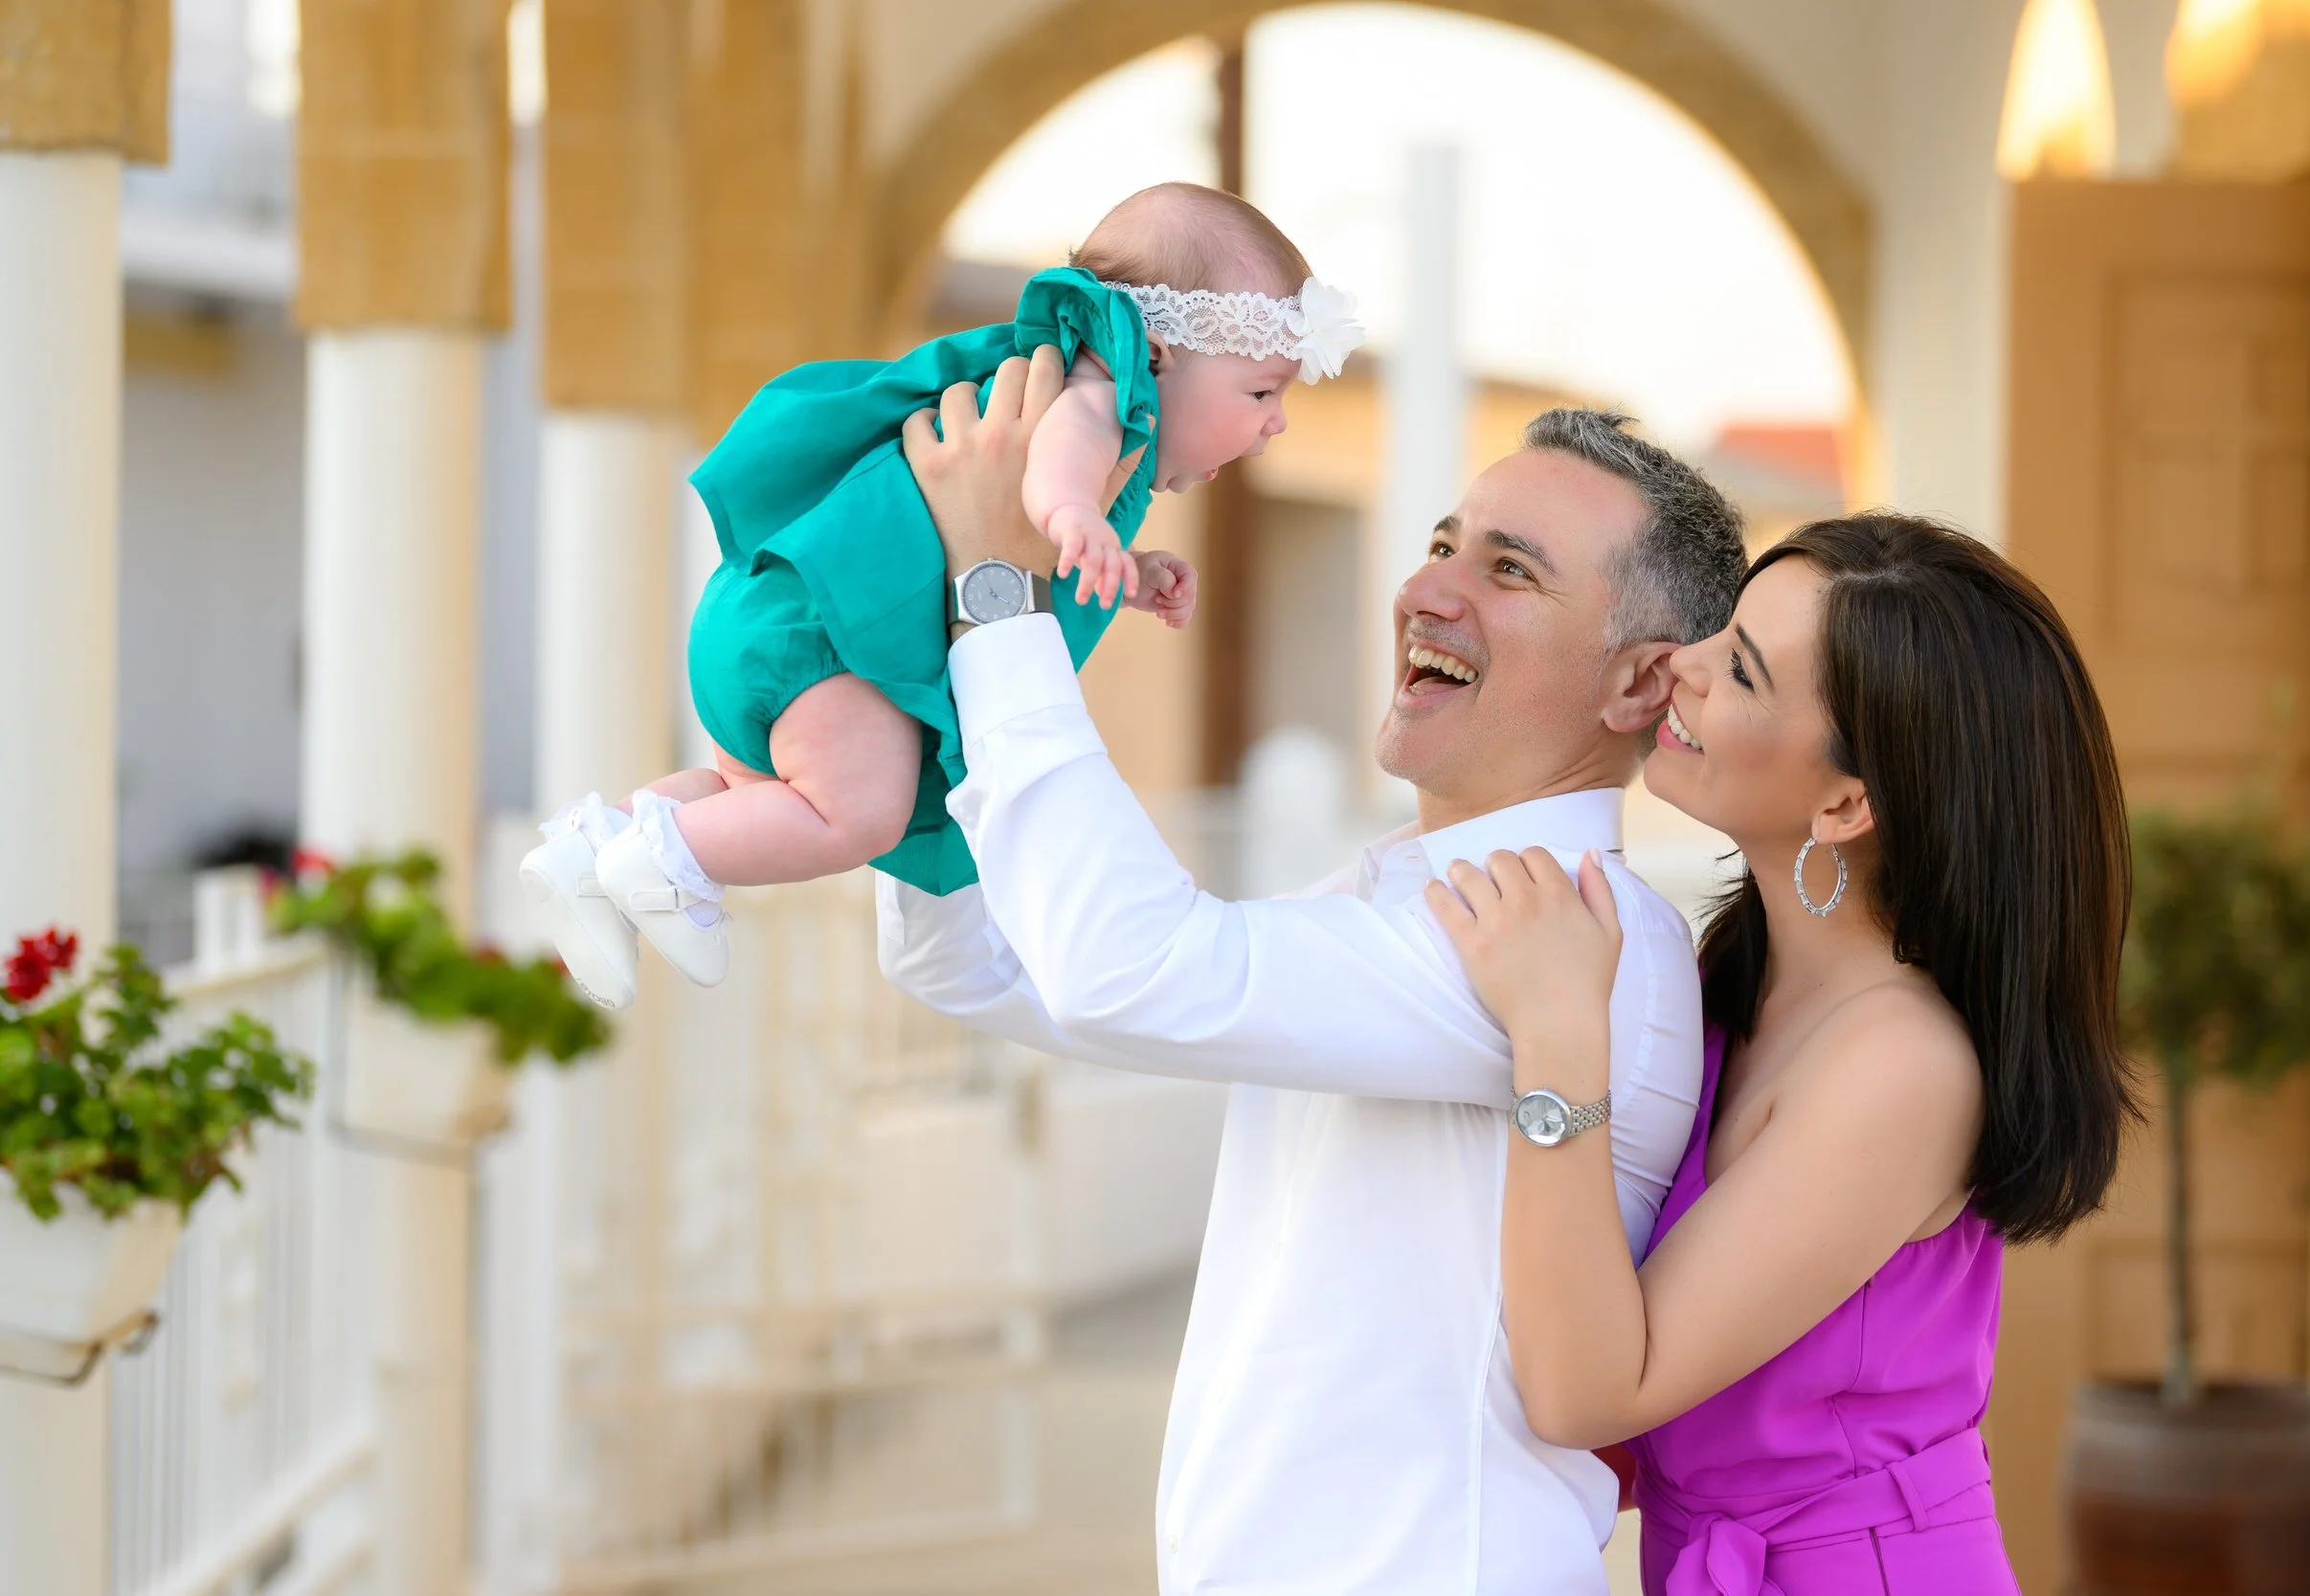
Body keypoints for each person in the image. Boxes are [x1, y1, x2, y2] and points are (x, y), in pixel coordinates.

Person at [881, 345, 1749, 1594]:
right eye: (1446, 542)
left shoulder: (1571, 933)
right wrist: (897, 686)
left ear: (1639, 683)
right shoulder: (1401, 899)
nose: (1429, 589)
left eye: (1509, 569)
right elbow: (973, 964)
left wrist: (999, 599)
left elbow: (1125, 965)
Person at [1425, 515, 2135, 1595]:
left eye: (1741, 669)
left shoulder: (1902, 1065)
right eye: (1720, 631)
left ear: (1847, 801)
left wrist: (1558, 1042)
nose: (1683, 664)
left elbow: (1588, 1387)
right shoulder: (1723, 984)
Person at [518, 183, 1361, 1007]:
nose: (1275, 422)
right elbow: (1057, 472)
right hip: (835, 648)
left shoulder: (1068, 399)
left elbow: (1029, 504)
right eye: (1261, 392)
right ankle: (668, 860)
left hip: (775, 613)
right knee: (859, 817)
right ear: (1161, 355)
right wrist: (1074, 514)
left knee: (757, 799)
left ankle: (593, 844)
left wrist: (1123, 566)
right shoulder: (1097, 395)